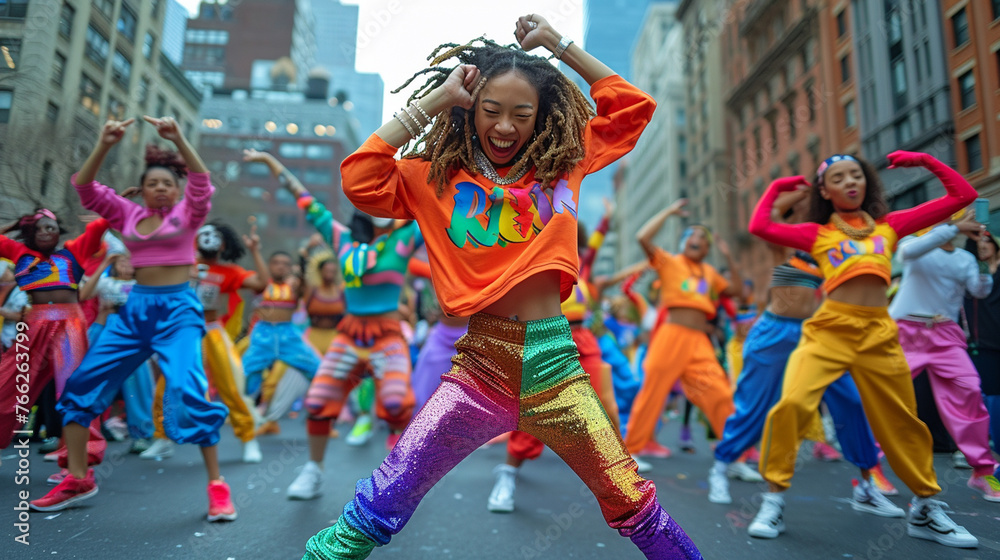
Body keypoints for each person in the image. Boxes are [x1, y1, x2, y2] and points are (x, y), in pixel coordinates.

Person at [303, 15, 701, 560]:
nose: (506, 127)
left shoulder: (564, 162)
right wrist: (437, 100)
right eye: (491, 111)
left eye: (522, 114)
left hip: (556, 364)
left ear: (542, 118)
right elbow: (361, 179)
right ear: (470, 110)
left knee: (632, 500)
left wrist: (560, 47)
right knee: (382, 500)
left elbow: (631, 108)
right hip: (478, 367)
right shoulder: (435, 177)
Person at [746, 151, 978, 548]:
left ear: (866, 182)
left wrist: (926, 161)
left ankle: (925, 507)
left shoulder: (890, 226)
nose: (850, 182)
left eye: (856, 175)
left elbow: (962, 197)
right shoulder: (817, 234)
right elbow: (759, 225)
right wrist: (776, 187)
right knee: (793, 405)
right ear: (825, 190)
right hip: (828, 331)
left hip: (878, 334)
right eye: (839, 178)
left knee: (903, 419)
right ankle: (773, 497)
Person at [30, 117, 236, 522]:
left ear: (177, 190)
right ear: (142, 190)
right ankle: (77, 477)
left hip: (177, 311)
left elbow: (202, 179)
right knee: (79, 387)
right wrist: (105, 143)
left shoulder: (189, 215)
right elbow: (85, 188)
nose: (160, 187)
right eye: (153, 183)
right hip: (135, 311)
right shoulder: (125, 214)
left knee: (191, 393)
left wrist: (177, 137)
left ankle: (217, 487)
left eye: (167, 183)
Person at [242, 149, 422, 501]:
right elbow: (306, 202)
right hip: (349, 334)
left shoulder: (405, 237)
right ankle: (313, 470)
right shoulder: (341, 240)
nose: (382, 203)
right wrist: (271, 162)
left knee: (397, 404)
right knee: (318, 401)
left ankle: (403, 476)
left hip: (387, 336)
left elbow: (439, 204)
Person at [623, 199, 743, 473]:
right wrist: (668, 212)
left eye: (703, 236)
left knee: (721, 394)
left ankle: (734, 456)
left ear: (708, 248)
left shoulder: (711, 273)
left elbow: (736, 292)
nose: (697, 238)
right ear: (683, 241)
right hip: (671, 336)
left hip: (699, 341)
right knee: (652, 393)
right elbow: (642, 237)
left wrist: (729, 258)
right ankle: (630, 451)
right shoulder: (667, 261)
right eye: (692, 233)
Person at [891, 212, 999, 500]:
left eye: (958, 216)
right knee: (887, 396)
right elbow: (905, 251)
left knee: (970, 392)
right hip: (906, 331)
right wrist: (953, 227)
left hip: (946, 334)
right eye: (947, 217)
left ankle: (983, 471)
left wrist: (980, 254)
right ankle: (871, 469)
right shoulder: (917, 244)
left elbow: (980, 290)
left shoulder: (964, 258)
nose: (954, 221)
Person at [966, 232, 1000, 470]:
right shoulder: (974, 275)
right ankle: (992, 459)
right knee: (988, 397)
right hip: (983, 345)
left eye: (988, 241)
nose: (983, 246)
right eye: (979, 243)